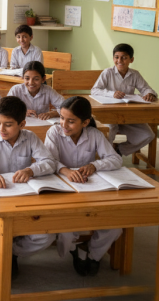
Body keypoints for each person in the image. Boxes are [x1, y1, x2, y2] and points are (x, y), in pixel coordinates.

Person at [0, 96, 56, 281]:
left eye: (8, 125)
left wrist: (30, 170)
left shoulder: (30, 138)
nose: (1, 129)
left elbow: (49, 162)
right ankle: (0, 258)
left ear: (22, 124)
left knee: (46, 235)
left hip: (24, 194)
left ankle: (10, 252)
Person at [45, 96, 122, 277]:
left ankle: (94, 254)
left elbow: (115, 159)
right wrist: (65, 171)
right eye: (62, 118)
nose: (64, 124)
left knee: (115, 225)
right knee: (67, 225)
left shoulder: (94, 134)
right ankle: (74, 249)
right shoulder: (54, 132)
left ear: (85, 122)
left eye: (71, 121)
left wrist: (95, 165)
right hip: (62, 187)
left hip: (89, 188)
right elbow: (48, 161)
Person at [91, 43, 157, 156]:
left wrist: (149, 93)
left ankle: (119, 150)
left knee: (148, 135)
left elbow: (146, 88)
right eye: (117, 57)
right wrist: (112, 94)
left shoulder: (135, 74)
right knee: (110, 130)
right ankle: (106, 157)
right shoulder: (108, 73)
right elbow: (95, 90)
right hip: (109, 115)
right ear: (113, 58)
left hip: (128, 115)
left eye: (124, 57)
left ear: (131, 59)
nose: (120, 60)